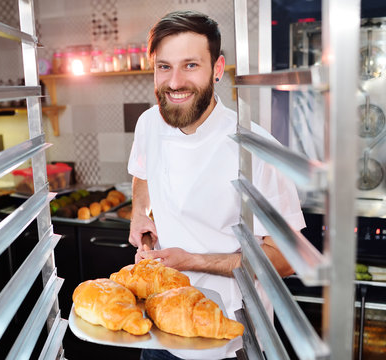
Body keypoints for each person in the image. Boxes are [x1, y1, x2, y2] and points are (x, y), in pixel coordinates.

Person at [127, 10, 306, 360]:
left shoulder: (254, 146)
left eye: (190, 65)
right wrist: (138, 213)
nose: (175, 81)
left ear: (218, 69)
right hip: (158, 323)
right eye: (164, 66)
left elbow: (287, 257)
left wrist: (192, 260)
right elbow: (142, 172)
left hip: (227, 334)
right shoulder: (149, 122)